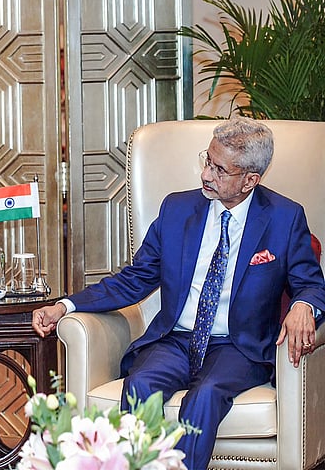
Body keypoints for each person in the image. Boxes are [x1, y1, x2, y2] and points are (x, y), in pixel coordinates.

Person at [32, 117, 325, 469]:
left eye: (219, 170)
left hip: (238, 346)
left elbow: (310, 283)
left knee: (205, 396)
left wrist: (303, 305)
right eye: (208, 161)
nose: (206, 175)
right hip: (177, 339)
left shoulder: (284, 217)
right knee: (140, 384)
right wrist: (66, 305)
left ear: (250, 180)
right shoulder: (177, 209)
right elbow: (135, 278)